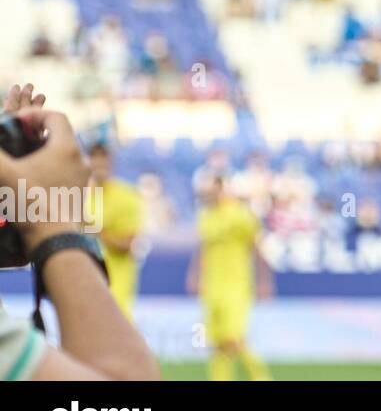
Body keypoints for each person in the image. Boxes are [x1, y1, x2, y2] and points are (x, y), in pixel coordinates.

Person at [0, 83, 159, 380]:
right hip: (88, 286)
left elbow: (130, 241)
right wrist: (50, 217)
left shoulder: (125, 195)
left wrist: (13, 192)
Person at [188, 175, 274, 381]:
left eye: (214, 188)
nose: (210, 193)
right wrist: (194, 274)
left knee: (233, 339)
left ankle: (261, 377)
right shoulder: (206, 216)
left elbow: (256, 248)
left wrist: (264, 280)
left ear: (222, 188)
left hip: (237, 286)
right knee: (217, 343)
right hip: (212, 286)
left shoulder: (240, 215)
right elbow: (203, 248)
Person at [85, 143, 144, 320]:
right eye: (94, 164)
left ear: (111, 163)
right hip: (86, 278)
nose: (99, 169)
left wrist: (95, 230)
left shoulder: (126, 196)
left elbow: (127, 243)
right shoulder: (81, 194)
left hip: (116, 280)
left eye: (103, 164)